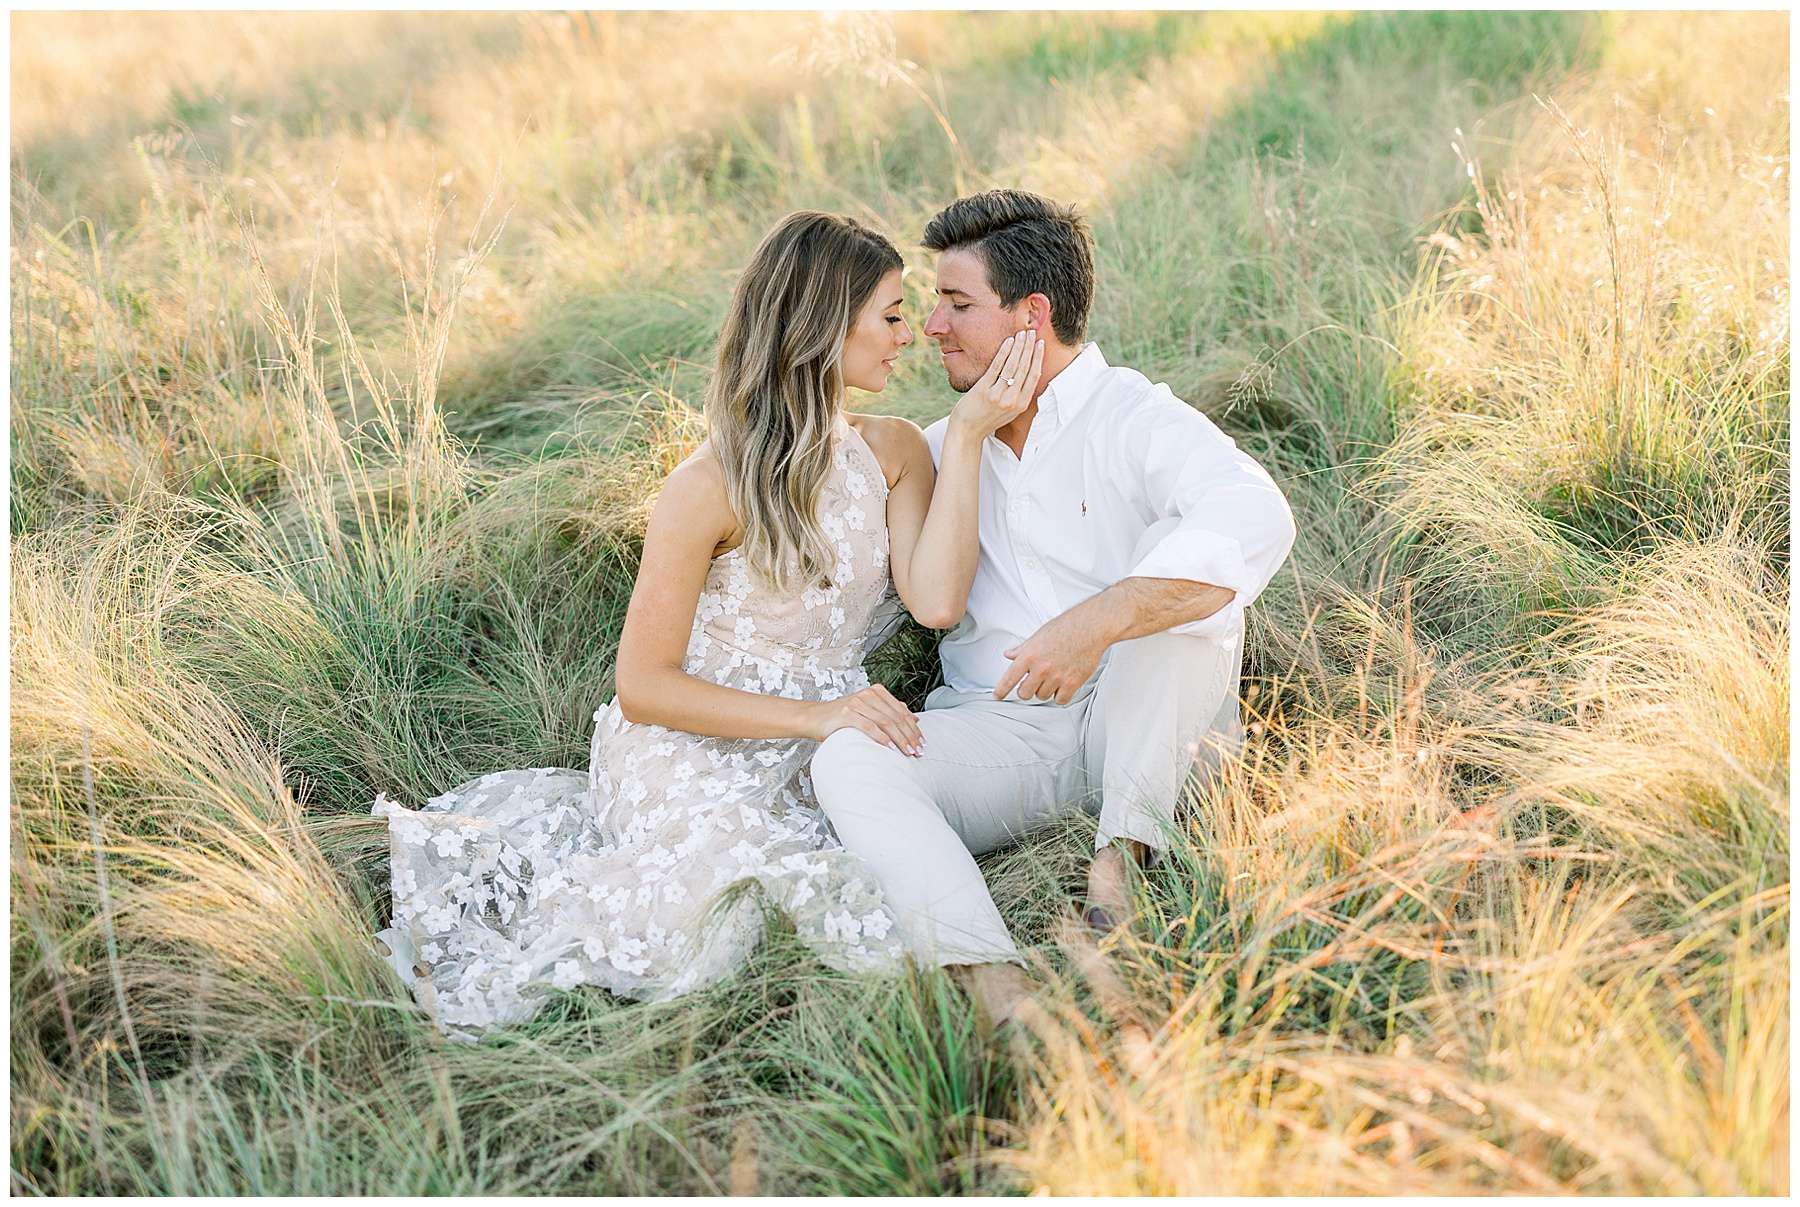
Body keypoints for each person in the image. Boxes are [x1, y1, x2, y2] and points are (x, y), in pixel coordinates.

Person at [372, 210, 1045, 1036]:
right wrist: (820, 715)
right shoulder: (708, 483)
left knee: (867, 874)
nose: (912, 334)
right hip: (689, 738)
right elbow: (644, 685)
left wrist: (970, 433)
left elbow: (937, 602)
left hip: (829, 741)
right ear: (825, 327)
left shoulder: (898, 448)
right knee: (738, 900)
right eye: (893, 314)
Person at [809, 189, 1297, 1026]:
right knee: (848, 760)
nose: (931, 327)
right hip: (1006, 733)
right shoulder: (938, 447)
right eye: (931, 304)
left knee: (1180, 603)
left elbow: (1256, 514)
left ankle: (1120, 872)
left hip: (1147, 726)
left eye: (957, 304)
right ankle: (995, 984)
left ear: (1031, 316)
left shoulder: (1135, 417)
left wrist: (1101, 617)